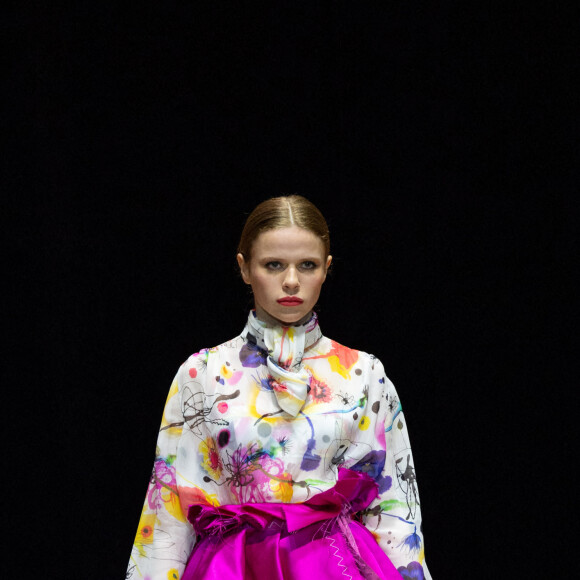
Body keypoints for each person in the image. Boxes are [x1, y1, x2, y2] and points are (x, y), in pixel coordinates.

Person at [127, 195, 431, 580]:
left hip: (333, 568)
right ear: (244, 268)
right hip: (233, 569)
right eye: (273, 265)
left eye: (307, 265)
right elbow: (169, 511)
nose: (291, 281)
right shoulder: (202, 373)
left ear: (326, 269)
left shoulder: (365, 373)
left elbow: (395, 510)